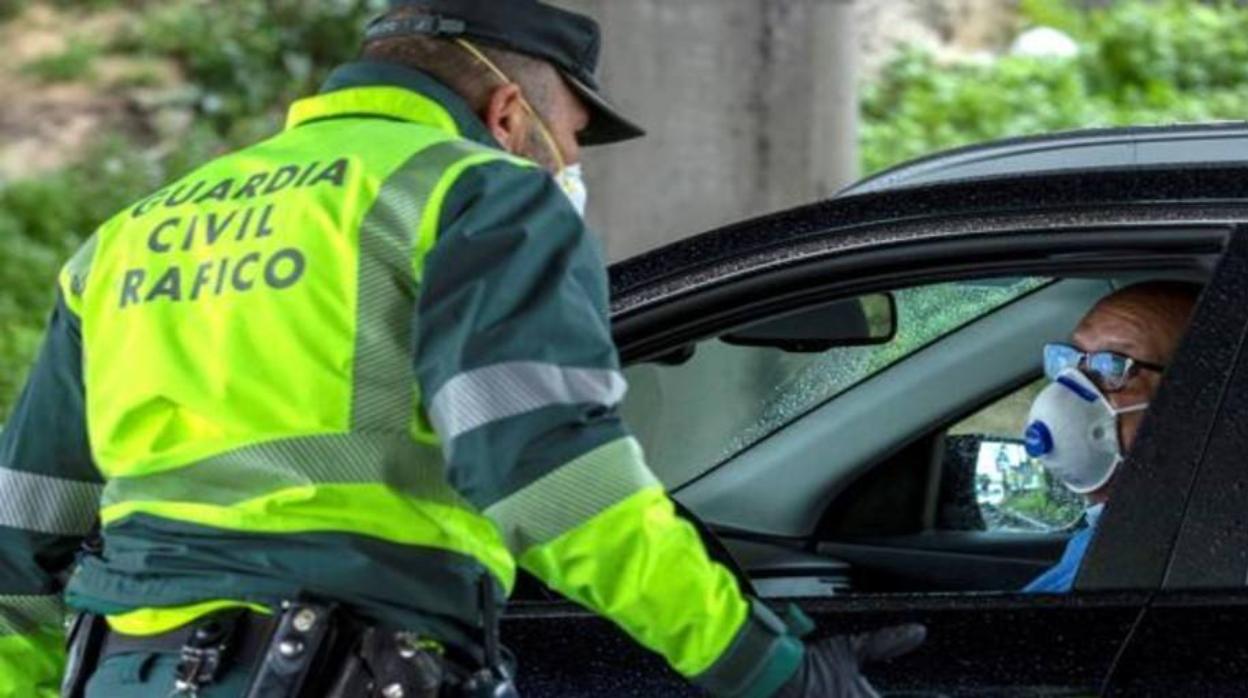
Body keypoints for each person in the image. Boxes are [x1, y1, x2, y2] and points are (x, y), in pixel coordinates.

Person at [0, 1, 923, 695]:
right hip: (343, 665)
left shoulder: (136, 231)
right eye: (573, 135)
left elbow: (22, 531)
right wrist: (772, 669)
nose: (571, 163)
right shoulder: (476, 195)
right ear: (509, 111)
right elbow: (550, 483)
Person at [1021, 281, 1200, 593]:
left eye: (1113, 366)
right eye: (1070, 359)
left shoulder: (1163, 558)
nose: (1072, 389)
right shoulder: (1116, 535)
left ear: (1193, 401)